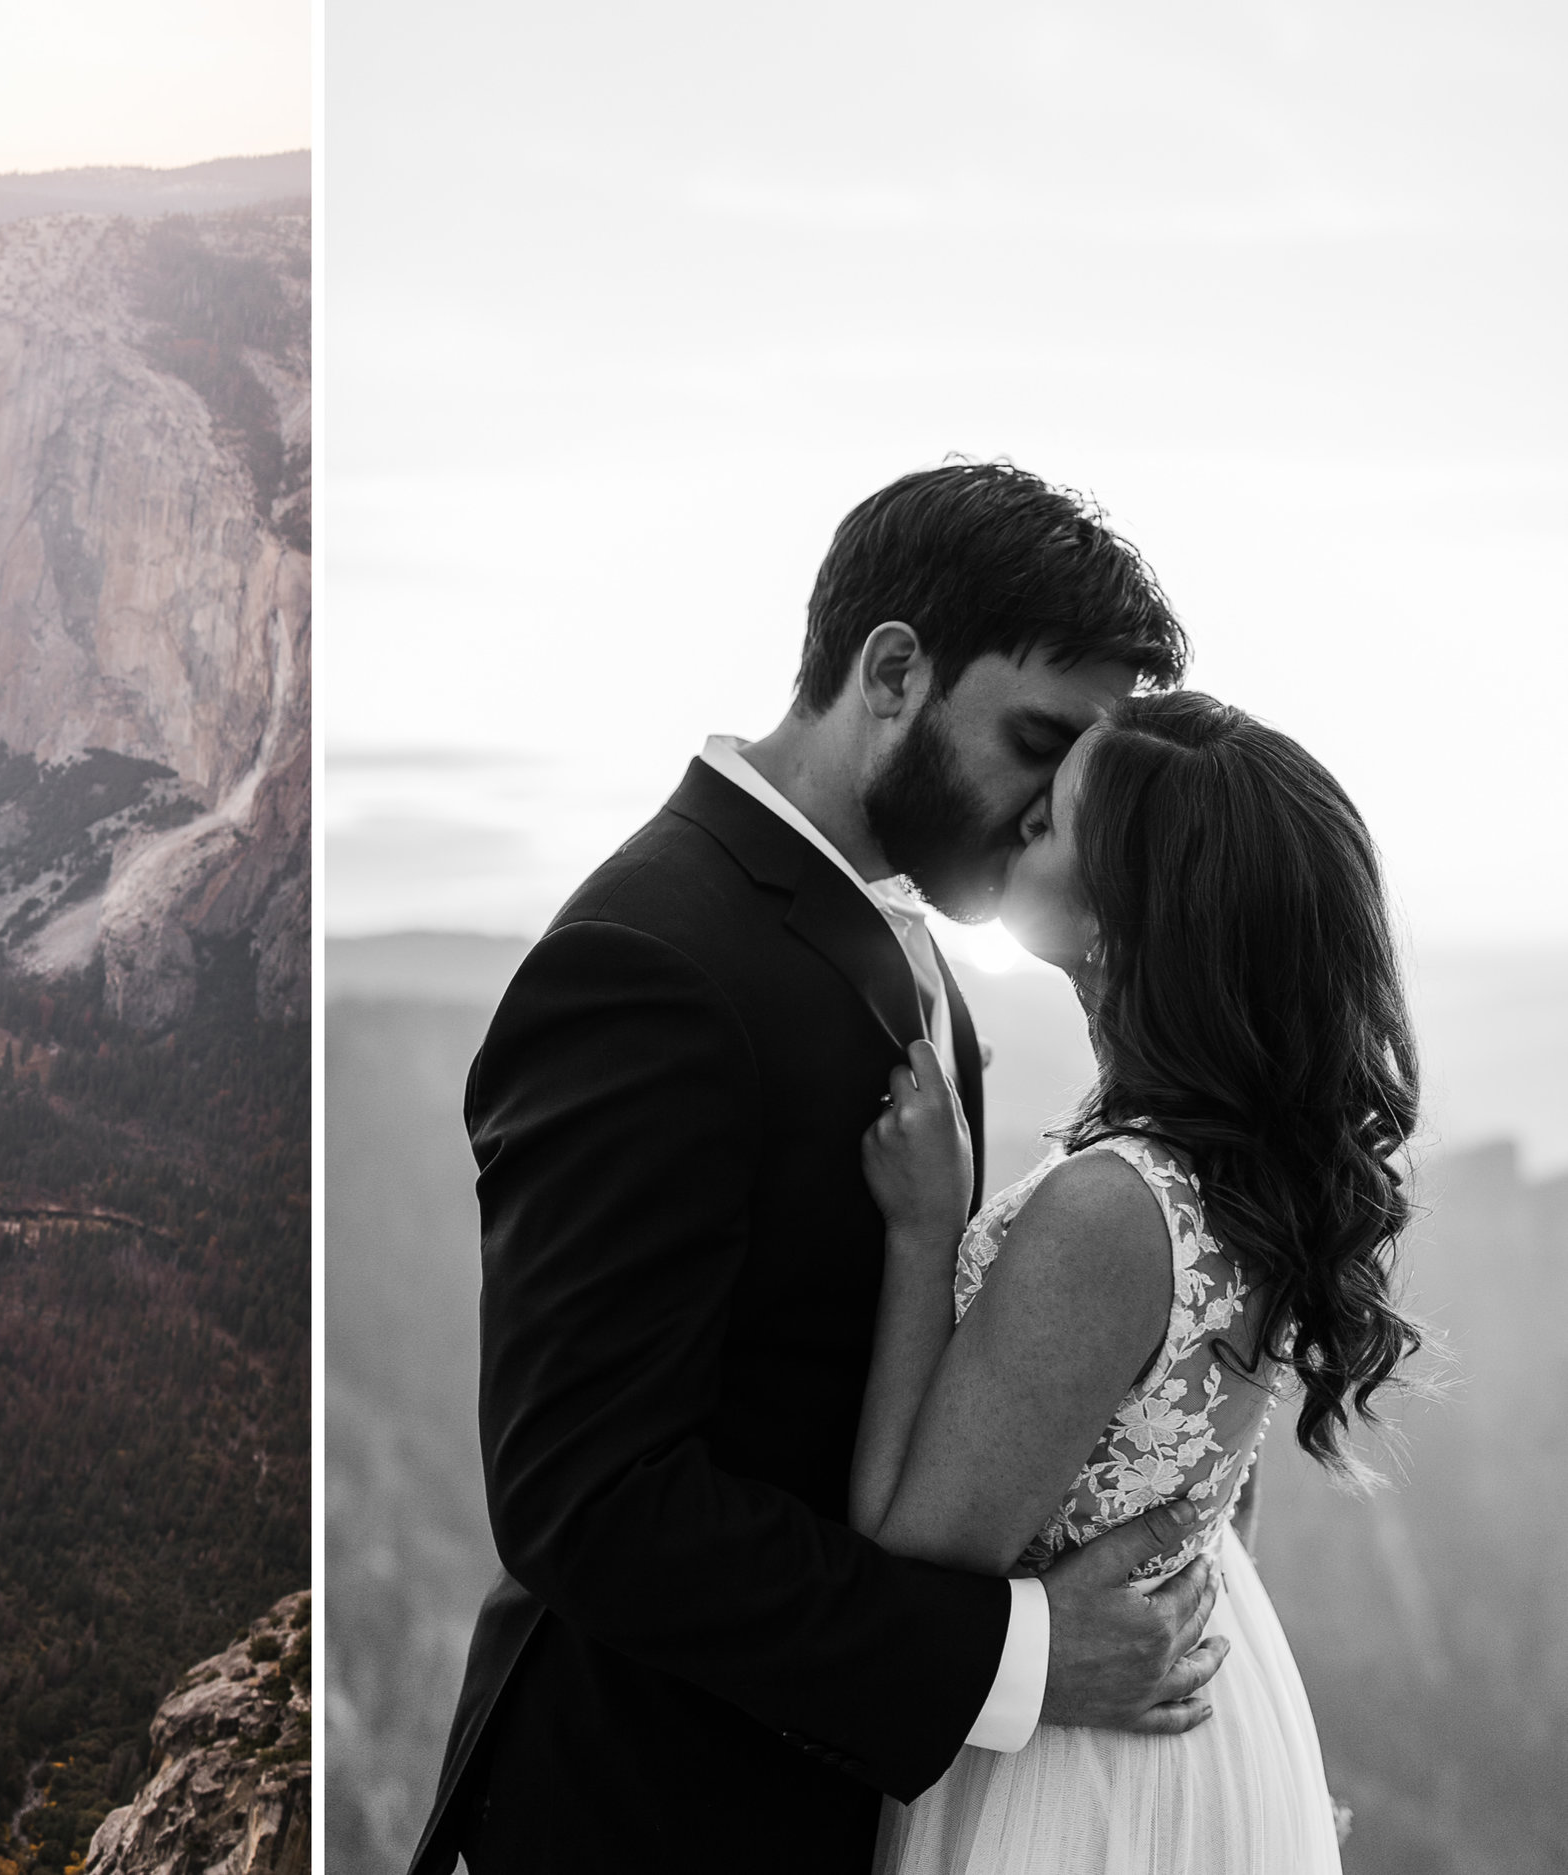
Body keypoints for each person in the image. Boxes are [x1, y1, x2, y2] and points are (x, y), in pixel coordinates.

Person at [411, 464, 1219, 1873]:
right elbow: (585, 1500)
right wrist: (1023, 1651)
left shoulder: (904, 934)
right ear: (894, 669)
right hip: (641, 1814)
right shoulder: (649, 962)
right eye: (1037, 743)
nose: (1048, 813)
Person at [854, 691, 1415, 1872]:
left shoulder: (1111, 1210)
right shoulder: (1252, 1166)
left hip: (1071, 1778)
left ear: (1122, 919)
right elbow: (1222, 1476)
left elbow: (906, 1552)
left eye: (1048, 823)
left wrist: (922, 1230)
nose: (1012, 828)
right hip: (1197, 1721)